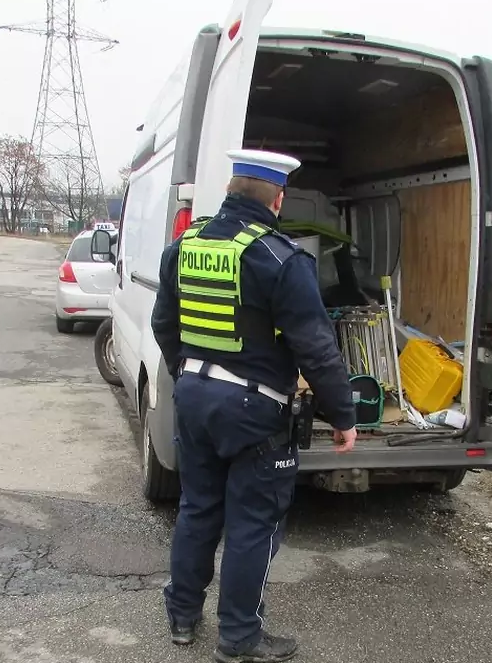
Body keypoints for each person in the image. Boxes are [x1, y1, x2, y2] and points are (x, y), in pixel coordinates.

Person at [150, 149, 358, 663]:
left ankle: (182, 617)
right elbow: (316, 346)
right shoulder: (279, 258)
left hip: (193, 397)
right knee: (253, 523)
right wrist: (343, 415)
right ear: (278, 198)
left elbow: (163, 323)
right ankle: (239, 637)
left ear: (230, 190)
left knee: (198, 508)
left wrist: (190, 373)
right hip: (253, 409)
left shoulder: (185, 245)